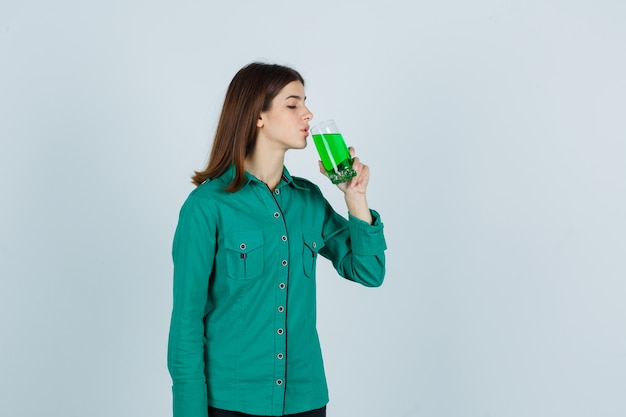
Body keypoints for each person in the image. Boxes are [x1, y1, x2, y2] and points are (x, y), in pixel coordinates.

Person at [167, 62, 387, 417]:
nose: (308, 113)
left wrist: (355, 197)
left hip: (306, 400)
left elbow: (369, 270)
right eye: (293, 103)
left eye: (305, 102)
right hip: (232, 403)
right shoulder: (207, 206)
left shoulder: (308, 201)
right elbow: (186, 325)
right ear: (258, 116)